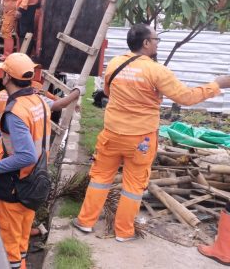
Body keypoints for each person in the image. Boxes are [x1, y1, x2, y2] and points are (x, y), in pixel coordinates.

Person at [72, 24, 230, 242]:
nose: (157, 43)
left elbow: (108, 92)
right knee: (133, 187)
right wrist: (216, 84)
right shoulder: (156, 71)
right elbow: (186, 97)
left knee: (100, 178)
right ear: (146, 43)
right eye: (156, 39)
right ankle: (124, 232)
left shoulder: (115, 64)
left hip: (112, 134)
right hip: (141, 139)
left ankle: (85, 222)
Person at [0, 53, 51, 269]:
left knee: (7, 249)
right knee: (21, 242)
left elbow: (26, 155)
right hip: (33, 183)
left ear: (6, 77)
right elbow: (13, 135)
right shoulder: (38, 101)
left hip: (13, 188)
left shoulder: (15, 111)